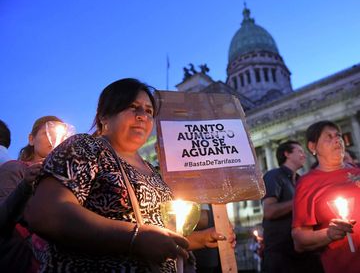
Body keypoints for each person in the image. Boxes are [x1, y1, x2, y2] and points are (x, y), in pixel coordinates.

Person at [25, 78, 235, 272]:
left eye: (149, 111)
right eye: (133, 108)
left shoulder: (152, 171)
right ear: (104, 116)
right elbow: (46, 212)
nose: (143, 116)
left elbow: (156, 231)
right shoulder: (85, 147)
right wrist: (134, 238)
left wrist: (201, 239)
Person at [292, 120, 360, 273]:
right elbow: (299, 239)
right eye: (329, 137)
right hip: (344, 265)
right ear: (312, 147)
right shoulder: (307, 183)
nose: (337, 140)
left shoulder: (357, 172)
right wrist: (329, 234)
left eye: (338, 136)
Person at [0, 115, 63, 272]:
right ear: (31, 139)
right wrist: (26, 185)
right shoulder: (16, 168)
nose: (53, 140)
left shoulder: (65, 179)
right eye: (46, 133)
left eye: (60, 136)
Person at [261, 140, 323, 273]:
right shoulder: (274, 176)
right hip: (281, 254)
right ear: (287, 154)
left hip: (306, 251)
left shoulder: (301, 181)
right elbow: (269, 211)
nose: (304, 155)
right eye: (299, 151)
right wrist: (301, 200)